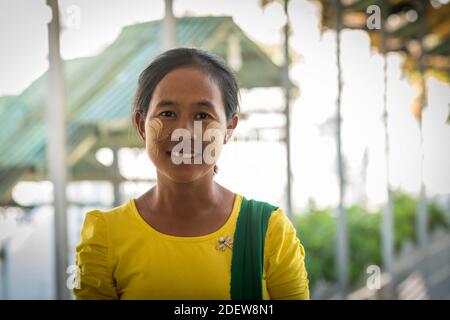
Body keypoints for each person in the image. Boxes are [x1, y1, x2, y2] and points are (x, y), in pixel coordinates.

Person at [74, 47, 309, 300]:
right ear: (142, 126)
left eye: (202, 115)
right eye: (167, 114)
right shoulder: (105, 236)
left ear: (229, 128)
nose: (184, 133)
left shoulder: (267, 231)